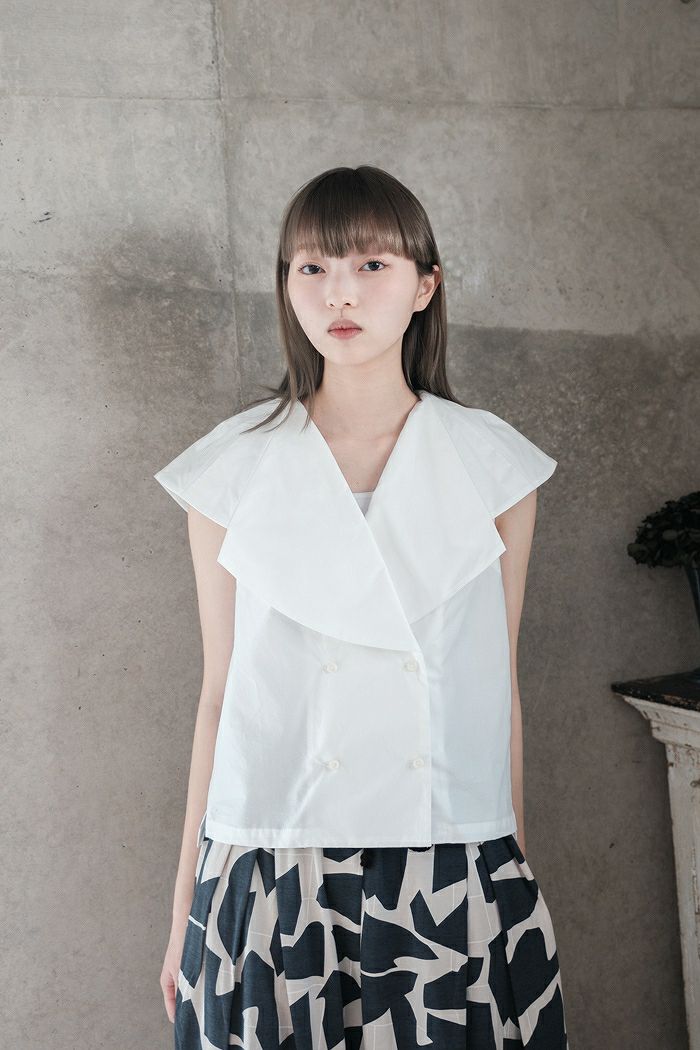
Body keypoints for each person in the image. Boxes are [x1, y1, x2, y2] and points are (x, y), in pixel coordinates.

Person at [155, 165, 569, 1049]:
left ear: (425, 285)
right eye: (312, 267)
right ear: (287, 287)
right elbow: (220, 695)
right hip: (272, 862)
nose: (339, 292)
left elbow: (497, 687)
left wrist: (512, 875)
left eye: (371, 265)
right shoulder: (230, 471)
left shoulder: (492, 466)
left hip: (449, 859)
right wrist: (187, 906)